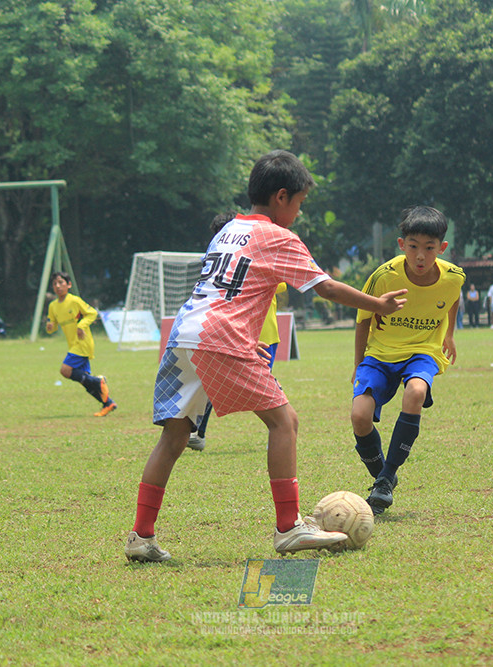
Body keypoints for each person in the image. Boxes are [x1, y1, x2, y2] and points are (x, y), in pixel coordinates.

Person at [124, 149, 407, 563]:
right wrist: (377, 305)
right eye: (299, 204)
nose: (298, 214)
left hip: (184, 334)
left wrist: (242, 337)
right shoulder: (279, 236)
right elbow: (324, 287)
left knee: (175, 436)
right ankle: (288, 526)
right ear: (280, 197)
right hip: (220, 340)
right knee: (285, 421)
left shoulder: (227, 230)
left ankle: (141, 536)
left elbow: (227, 291)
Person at [351, 206, 464, 515]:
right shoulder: (384, 276)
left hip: (422, 351)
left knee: (416, 392)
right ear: (402, 245)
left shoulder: (454, 277)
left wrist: (449, 335)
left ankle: (386, 478)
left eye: (429, 248)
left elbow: (452, 299)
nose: (420, 256)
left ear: (442, 248)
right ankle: (382, 479)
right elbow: (363, 320)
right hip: (380, 354)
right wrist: (358, 363)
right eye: (413, 246)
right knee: (360, 416)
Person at [186, 212, 285, 452]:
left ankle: (283, 427)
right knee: (225, 384)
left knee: (258, 387)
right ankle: (283, 426)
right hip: (241, 334)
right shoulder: (233, 261)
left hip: (254, 335)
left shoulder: (234, 261)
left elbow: (279, 284)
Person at [45, 271, 117, 417]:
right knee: (85, 381)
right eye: (55, 284)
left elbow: (92, 313)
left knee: (65, 370)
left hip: (83, 343)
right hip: (73, 344)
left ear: (69, 285)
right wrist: (50, 327)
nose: (58, 286)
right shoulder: (53, 306)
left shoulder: (74, 301)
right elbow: (51, 324)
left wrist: (81, 326)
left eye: (61, 282)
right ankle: (108, 403)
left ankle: (99, 381)